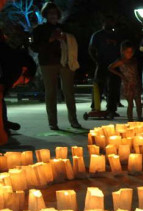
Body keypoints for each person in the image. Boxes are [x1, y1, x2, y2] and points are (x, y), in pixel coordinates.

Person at [31, 2, 82, 130]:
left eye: (55, 13)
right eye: (50, 13)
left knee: (69, 92)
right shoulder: (39, 29)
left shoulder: (65, 28)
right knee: (51, 93)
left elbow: (75, 41)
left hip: (65, 62)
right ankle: (52, 122)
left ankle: (74, 120)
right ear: (45, 14)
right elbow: (35, 47)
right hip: (47, 63)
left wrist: (65, 38)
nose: (53, 15)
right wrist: (50, 39)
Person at [0, 42, 36, 145]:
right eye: (23, 81)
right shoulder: (13, 68)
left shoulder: (9, 58)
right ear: (24, 70)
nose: (17, 85)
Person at [89, 15, 122, 115]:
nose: (109, 24)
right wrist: (96, 61)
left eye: (111, 22)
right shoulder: (97, 35)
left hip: (115, 64)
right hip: (102, 63)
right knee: (98, 85)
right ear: (103, 23)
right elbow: (91, 49)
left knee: (114, 87)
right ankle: (95, 107)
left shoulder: (116, 35)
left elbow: (121, 48)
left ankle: (111, 109)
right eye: (107, 22)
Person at [109, 41, 142, 121]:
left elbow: (136, 72)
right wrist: (121, 75)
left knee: (138, 102)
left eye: (131, 52)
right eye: (128, 52)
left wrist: (139, 81)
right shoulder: (121, 61)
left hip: (136, 83)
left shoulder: (134, 60)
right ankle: (130, 119)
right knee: (130, 103)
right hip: (127, 84)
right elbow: (110, 67)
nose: (130, 54)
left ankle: (139, 118)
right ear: (123, 51)